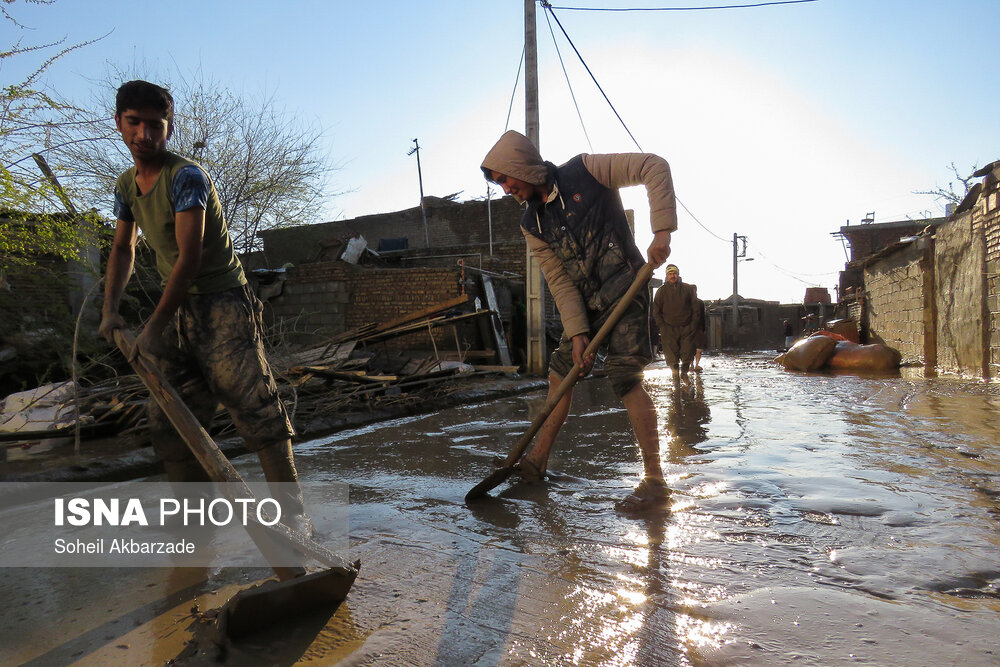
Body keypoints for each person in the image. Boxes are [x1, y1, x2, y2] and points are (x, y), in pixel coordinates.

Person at [99, 80, 311, 535]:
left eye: (156, 125)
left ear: (168, 129)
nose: (145, 134)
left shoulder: (186, 176)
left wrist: (154, 325)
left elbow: (189, 258)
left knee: (254, 405)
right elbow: (122, 250)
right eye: (134, 123)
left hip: (222, 301)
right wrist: (110, 310)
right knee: (170, 416)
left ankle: (294, 521)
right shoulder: (125, 186)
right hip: (177, 305)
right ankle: (192, 530)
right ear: (118, 124)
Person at [481, 130, 675, 511]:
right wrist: (577, 334)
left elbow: (654, 165)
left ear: (520, 165)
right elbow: (558, 280)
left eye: (506, 179)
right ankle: (536, 462)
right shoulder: (531, 224)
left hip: (626, 290)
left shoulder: (586, 171)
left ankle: (655, 481)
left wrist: (661, 230)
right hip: (589, 306)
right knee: (560, 372)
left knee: (624, 377)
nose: (506, 190)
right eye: (500, 183)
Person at [653, 264, 698, 376]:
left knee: (687, 353)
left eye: (674, 273)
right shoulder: (661, 291)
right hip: (668, 329)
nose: (672, 276)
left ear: (678, 274)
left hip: (687, 327)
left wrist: (692, 325)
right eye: (670, 274)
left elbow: (695, 309)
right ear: (666, 276)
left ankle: (684, 374)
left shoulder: (688, 289)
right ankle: (675, 378)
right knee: (671, 355)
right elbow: (656, 311)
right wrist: (662, 327)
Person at [693, 297, 707, 371]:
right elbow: (703, 316)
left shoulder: (685, 302)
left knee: (689, 348)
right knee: (698, 347)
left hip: (687, 329)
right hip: (698, 328)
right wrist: (703, 328)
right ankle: (696, 365)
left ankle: (691, 365)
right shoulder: (700, 302)